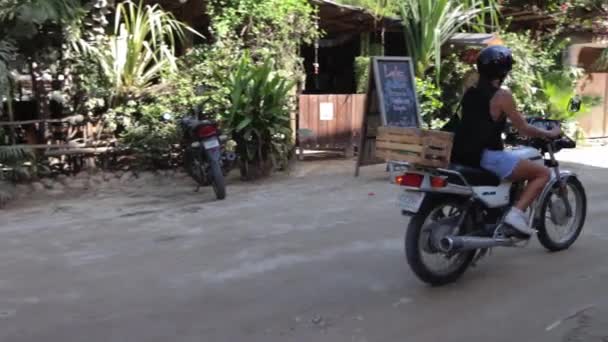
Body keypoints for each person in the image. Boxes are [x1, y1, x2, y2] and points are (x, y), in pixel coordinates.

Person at [451, 45, 561, 237]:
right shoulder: (502, 96)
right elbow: (524, 128)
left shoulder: (470, 91)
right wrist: (549, 133)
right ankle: (516, 215)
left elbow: (478, 121)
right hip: (486, 156)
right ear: (504, 70)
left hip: (462, 153)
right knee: (542, 173)